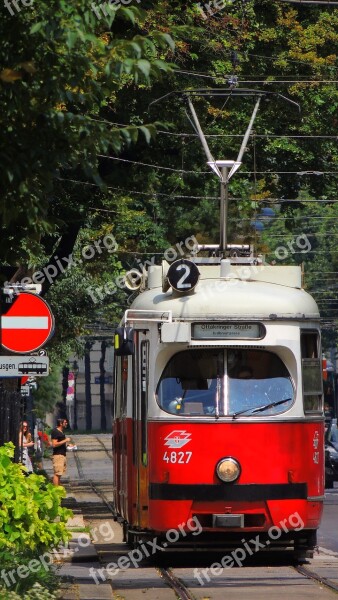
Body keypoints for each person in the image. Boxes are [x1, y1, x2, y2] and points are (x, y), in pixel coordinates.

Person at [51, 418, 71, 486]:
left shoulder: (61, 432)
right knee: (57, 474)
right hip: (58, 455)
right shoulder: (56, 431)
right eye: (65, 422)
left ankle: (58, 490)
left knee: (60, 474)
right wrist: (65, 440)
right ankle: (56, 491)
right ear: (60, 423)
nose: (66, 423)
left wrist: (67, 445)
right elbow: (54, 444)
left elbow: (60, 443)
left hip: (62, 455)